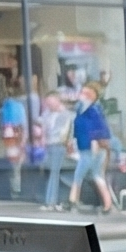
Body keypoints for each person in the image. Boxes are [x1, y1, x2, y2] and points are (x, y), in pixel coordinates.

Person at [69, 83, 114, 213]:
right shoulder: (82, 110)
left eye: (87, 94)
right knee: (97, 175)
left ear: (94, 96)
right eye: (83, 93)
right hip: (87, 146)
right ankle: (107, 204)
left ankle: (73, 201)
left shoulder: (93, 110)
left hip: (92, 147)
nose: (83, 96)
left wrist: (95, 140)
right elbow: (78, 128)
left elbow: (100, 128)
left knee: (79, 174)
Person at [39, 91, 73, 208]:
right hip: (49, 146)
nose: (49, 105)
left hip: (60, 146)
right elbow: (43, 128)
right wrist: (42, 140)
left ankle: (51, 201)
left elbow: (68, 133)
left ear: (58, 101)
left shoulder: (66, 114)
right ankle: (54, 201)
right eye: (47, 103)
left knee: (54, 173)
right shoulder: (46, 113)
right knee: (52, 173)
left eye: (51, 103)